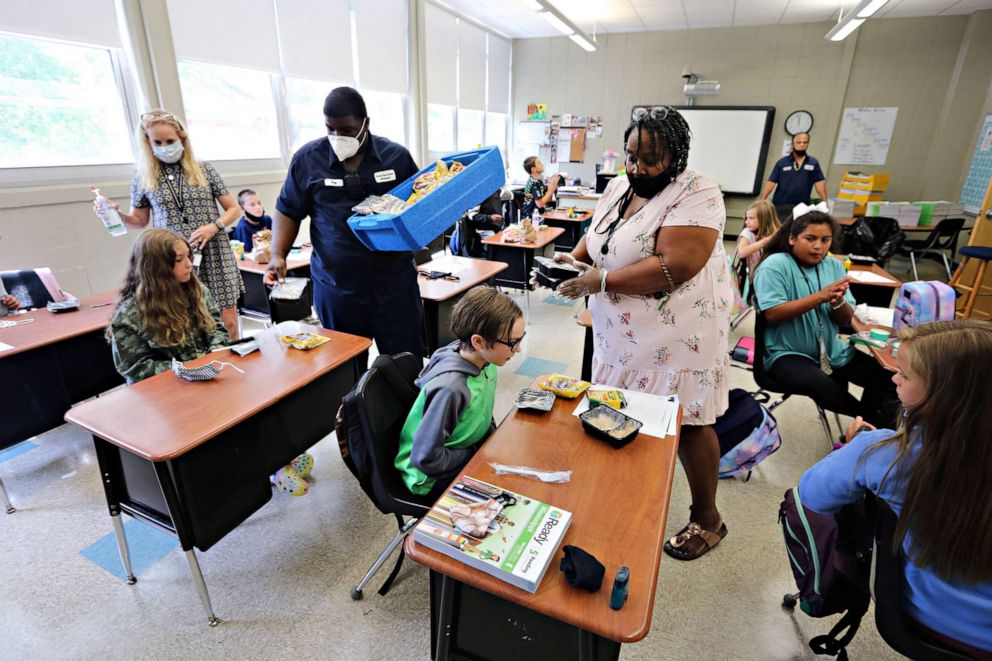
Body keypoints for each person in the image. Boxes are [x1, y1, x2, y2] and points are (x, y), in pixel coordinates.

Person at [553, 106, 733, 561]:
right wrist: (570, 262)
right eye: (631, 156)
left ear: (676, 155)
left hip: (680, 332)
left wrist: (601, 281)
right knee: (618, 410)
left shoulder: (698, 192)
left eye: (650, 159)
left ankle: (707, 518)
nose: (637, 168)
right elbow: (598, 239)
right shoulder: (618, 184)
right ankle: (623, 497)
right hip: (622, 331)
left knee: (688, 422)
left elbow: (677, 265)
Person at [799, 320, 992, 656]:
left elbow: (810, 496)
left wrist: (851, 449)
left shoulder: (887, 453)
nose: (894, 378)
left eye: (904, 374)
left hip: (924, 622)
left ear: (942, 392)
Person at [265, 87, 423, 364]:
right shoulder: (308, 160)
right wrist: (278, 255)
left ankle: (404, 408)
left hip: (394, 284)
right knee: (345, 368)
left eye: (347, 130)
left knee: (403, 365)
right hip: (337, 288)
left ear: (365, 124)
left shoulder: (396, 158)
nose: (339, 137)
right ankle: (354, 409)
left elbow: (421, 203)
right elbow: (287, 210)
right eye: (331, 129)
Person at [95, 109, 244, 338]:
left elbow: (234, 209)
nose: (165, 146)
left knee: (227, 318)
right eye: (158, 142)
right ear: (148, 142)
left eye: (170, 141)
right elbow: (139, 221)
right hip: (172, 257)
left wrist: (213, 226)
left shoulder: (204, 169)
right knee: (185, 319)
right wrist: (118, 215)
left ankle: (231, 362)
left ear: (182, 138)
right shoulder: (142, 176)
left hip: (213, 251)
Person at [753, 207, 898, 427]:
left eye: (825, 240)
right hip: (787, 354)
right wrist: (820, 297)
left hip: (831, 351)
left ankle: (872, 429)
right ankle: (869, 422)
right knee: (823, 385)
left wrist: (837, 302)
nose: (818, 246)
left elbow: (845, 319)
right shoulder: (775, 265)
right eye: (810, 239)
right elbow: (773, 314)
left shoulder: (834, 266)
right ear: (792, 238)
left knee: (889, 378)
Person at [395, 287, 524, 500]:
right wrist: (475, 453)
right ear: (478, 342)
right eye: (512, 343)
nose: (518, 350)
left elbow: (482, 411)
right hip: (429, 478)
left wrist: (490, 441)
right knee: (509, 496)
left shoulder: (486, 363)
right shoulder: (451, 388)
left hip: (464, 452)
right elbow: (426, 459)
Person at [107, 228, 229, 385]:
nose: (189, 264)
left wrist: (214, 355)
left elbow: (217, 329)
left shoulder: (197, 291)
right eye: (179, 260)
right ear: (157, 268)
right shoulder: (129, 316)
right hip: (164, 391)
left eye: (188, 256)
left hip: (204, 378)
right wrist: (188, 368)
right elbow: (135, 368)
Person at [759, 132, 828, 221]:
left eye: (805, 142)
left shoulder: (813, 163)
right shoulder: (782, 163)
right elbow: (771, 183)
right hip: (781, 206)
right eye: (799, 142)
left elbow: (820, 184)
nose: (802, 145)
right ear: (793, 144)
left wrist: (825, 202)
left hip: (802, 207)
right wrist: (761, 201)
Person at [736, 199, 781, 282]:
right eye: (746, 218)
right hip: (749, 279)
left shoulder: (777, 232)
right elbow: (741, 252)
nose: (746, 222)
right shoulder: (747, 233)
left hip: (769, 276)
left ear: (765, 219)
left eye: (751, 218)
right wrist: (764, 242)